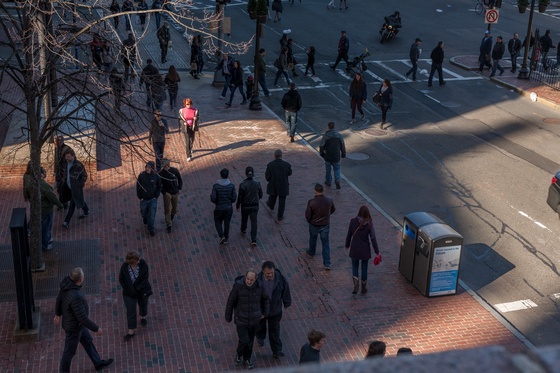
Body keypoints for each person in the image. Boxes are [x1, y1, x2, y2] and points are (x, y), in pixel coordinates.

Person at [54, 268, 114, 372]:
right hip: (74, 328)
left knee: (88, 341)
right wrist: (96, 329)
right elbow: (82, 318)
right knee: (69, 352)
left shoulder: (66, 284)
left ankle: (98, 363)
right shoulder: (76, 297)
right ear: (80, 279)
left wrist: (58, 314)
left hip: (78, 326)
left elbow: (59, 299)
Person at [225, 270, 270, 370]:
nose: (249, 281)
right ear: (245, 277)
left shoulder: (260, 286)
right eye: (248, 279)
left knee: (250, 340)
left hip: (254, 319)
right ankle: (238, 354)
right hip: (241, 319)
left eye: (251, 280)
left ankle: (247, 359)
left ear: (255, 279)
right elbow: (231, 301)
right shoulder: (238, 286)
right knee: (244, 339)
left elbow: (265, 299)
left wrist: (265, 313)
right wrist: (228, 316)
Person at [256, 261, 291, 358]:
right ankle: (260, 337)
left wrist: (287, 302)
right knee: (260, 326)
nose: (270, 275)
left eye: (272, 272)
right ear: (263, 272)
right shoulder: (257, 280)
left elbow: (286, 289)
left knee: (274, 331)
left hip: (275, 310)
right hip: (262, 310)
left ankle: (276, 350)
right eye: (268, 273)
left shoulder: (279, 278)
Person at [345, 205, 380, 294]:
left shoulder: (353, 221)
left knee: (355, 266)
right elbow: (373, 238)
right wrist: (377, 251)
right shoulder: (369, 224)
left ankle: (356, 285)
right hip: (365, 250)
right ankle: (363, 287)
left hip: (355, 248)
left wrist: (347, 245)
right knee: (364, 268)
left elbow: (349, 235)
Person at [119, 251, 152, 341]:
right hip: (129, 293)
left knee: (143, 305)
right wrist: (129, 289)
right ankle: (131, 331)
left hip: (142, 291)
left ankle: (143, 316)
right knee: (131, 311)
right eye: (137, 259)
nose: (139, 260)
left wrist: (138, 288)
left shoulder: (143, 264)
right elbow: (121, 280)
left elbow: (145, 278)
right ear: (132, 261)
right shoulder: (124, 267)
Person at [305, 183, 336, 270]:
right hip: (325, 225)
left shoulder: (311, 202)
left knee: (313, 238)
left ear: (315, 191)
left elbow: (308, 215)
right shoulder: (329, 200)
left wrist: (310, 221)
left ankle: (311, 252)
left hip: (314, 224)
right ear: (323, 191)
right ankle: (327, 263)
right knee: (325, 243)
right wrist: (326, 216)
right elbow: (333, 209)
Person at [60, 149, 89, 228]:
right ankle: (86, 211)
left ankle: (66, 222)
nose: (67, 158)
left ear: (73, 156)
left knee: (72, 205)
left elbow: (84, 176)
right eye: (66, 156)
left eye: (68, 156)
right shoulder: (65, 164)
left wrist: (79, 184)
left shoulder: (78, 165)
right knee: (79, 199)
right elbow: (64, 174)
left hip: (75, 188)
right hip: (68, 187)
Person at [236, 166, 262, 246]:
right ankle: (253, 239)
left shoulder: (242, 184)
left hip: (245, 206)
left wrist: (238, 205)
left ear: (246, 174)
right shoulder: (257, 183)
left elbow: (240, 197)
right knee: (254, 222)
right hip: (255, 206)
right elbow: (260, 194)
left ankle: (243, 230)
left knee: (244, 219)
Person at [39, 167, 64, 251]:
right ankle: (45, 244)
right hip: (46, 209)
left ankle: (47, 239)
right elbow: (52, 197)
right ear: (41, 174)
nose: (46, 173)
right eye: (44, 172)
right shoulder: (45, 186)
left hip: (40, 209)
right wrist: (60, 205)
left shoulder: (34, 184)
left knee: (44, 226)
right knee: (46, 227)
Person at [211, 168, 237, 244]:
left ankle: (221, 236)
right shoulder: (231, 186)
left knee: (217, 221)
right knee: (227, 223)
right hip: (228, 208)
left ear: (220, 175)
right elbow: (234, 198)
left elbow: (213, 199)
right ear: (228, 176)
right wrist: (230, 201)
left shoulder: (216, 186)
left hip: (219, 208)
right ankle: (226, 237)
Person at [265, 149, 292, 221]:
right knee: (282, 201)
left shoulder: (270, 165)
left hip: (273, 185)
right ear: (281, 156)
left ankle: (271, 205)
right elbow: (290, 173)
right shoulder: (287, 164)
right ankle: (280, 216)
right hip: (283, 185)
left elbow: (267, 177)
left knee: (272, 196)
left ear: (274, 156)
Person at [136, 161, 162, 237]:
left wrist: (156, 196)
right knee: (143, 212)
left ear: (152, 168)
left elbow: (159, 186)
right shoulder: (141, 175)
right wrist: (140, 197)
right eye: (147, 167)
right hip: (144, 199)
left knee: (152, 215)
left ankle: (151, 229)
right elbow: (138, 186)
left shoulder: (156, 176)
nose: (148, 169)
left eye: (149, 167)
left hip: (152, 199)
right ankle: (144, 218)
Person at [158, 158, 183, 233]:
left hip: (175, 192)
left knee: (174, 208)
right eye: (165, 164)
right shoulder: (160, 174)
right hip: (167, 193)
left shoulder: (174, 171)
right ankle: (169, 224)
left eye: (168, 163)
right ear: (163, 166)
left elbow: (180, 179)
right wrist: (164, 192)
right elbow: (160, 186)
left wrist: (179, 188)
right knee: (167, 208)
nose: (167, 165)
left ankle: (172, 215)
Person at [319, 122, 346, 189]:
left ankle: (328, 181)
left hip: (328, 155)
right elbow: (342, 146)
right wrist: (343, 154)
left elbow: (321, 146)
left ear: (328, 127)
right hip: (336, 156)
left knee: (328, 170)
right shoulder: (339, 136)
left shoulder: (325, 136)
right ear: (334, 127)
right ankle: (337, 180)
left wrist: (322, 153)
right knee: (337, 169)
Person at [54, 135, 72, 209]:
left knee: (64, 188)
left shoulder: (67, 150)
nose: (55, 143)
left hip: (65, 173)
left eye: (57, 142)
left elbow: (71, 161)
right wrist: (55, 171)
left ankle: (64, 203)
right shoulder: (56, 149)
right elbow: (56, 161)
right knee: (59, 188)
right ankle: (63, 202)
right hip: (59, 173)